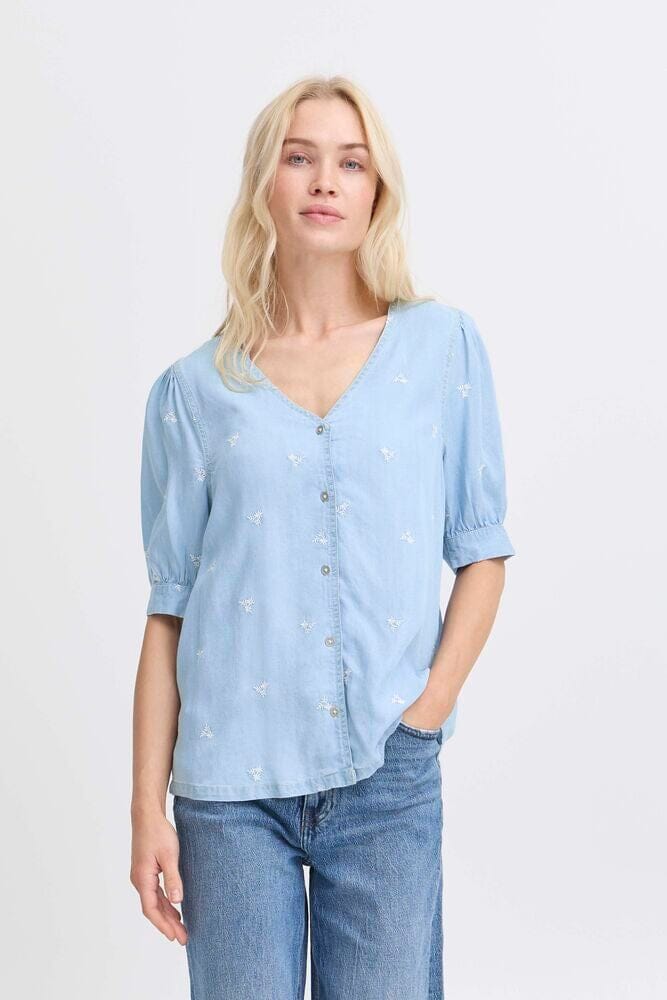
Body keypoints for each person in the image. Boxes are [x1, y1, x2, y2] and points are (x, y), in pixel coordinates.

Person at [130, 74, 516, 999]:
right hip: (229, 791)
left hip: (386, 772)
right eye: (299, 158)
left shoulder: (440, 347)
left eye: (351, 162)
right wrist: (145, 807)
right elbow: (169, 610)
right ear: (264, 183)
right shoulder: (193, 390)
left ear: (376, 190)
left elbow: (481, 552)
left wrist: (424, 714)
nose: (324, 181)